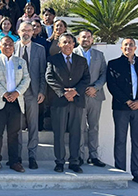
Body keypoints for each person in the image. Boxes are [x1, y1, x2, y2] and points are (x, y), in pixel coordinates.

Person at [107, 38, 138, 185]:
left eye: (131, 45)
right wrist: (127, 101)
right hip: (122, 108)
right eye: (126, 45)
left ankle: (136, 173)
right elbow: (112, 85)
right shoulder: (113, 64)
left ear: (135, 48)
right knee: (120, 141)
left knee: (137, 141)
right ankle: (120, 174)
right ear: (121, 48)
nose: (128, 47)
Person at [0, 36, 30, 173]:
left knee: (14, 134)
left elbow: (26, 79)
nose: (8, 47)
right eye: (5, 44)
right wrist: (4, 93)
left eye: (10, 44)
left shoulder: (20, 61)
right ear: (0, 46)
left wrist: (17, 92)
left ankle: (14, 161)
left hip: (15, 102)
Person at [45, 33, 90, 174]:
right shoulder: (52, 60)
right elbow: (49, 77)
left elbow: (86, 79)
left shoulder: (81, 61)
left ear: (74, 44)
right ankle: (59, 162)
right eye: (64, 42)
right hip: (59, 101)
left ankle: (74, 162)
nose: (67, 45)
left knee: (76, 132)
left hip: (77, 101)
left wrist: (75, 91)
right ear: (59, 44)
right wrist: (63, 92)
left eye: (70, 42)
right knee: (58, 133)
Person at [73, 29, 107, 167]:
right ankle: (80, 156)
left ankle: (93, 156)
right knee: (79, 127)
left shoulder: (99, 55)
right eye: (83, 37)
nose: (86, 39)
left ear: (92, 39)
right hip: (79, 96)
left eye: (88, 37)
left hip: (95, 95)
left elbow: (104, 74)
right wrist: (80, 89)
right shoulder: (73, 53)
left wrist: (96, 87)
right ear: (78, 39)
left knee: (94, 126)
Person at [15, 22, 47, 169]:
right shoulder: (12, 47)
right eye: (23, 30)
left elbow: (42, 72)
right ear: (18, 31)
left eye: (29, 30)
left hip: (33, 93)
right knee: (17, 127)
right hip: (16, 94)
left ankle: (32, 156)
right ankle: (17, 156)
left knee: (33, 125)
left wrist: (42, 91)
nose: (26, 32)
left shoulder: (40, 50)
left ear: (33, 31)